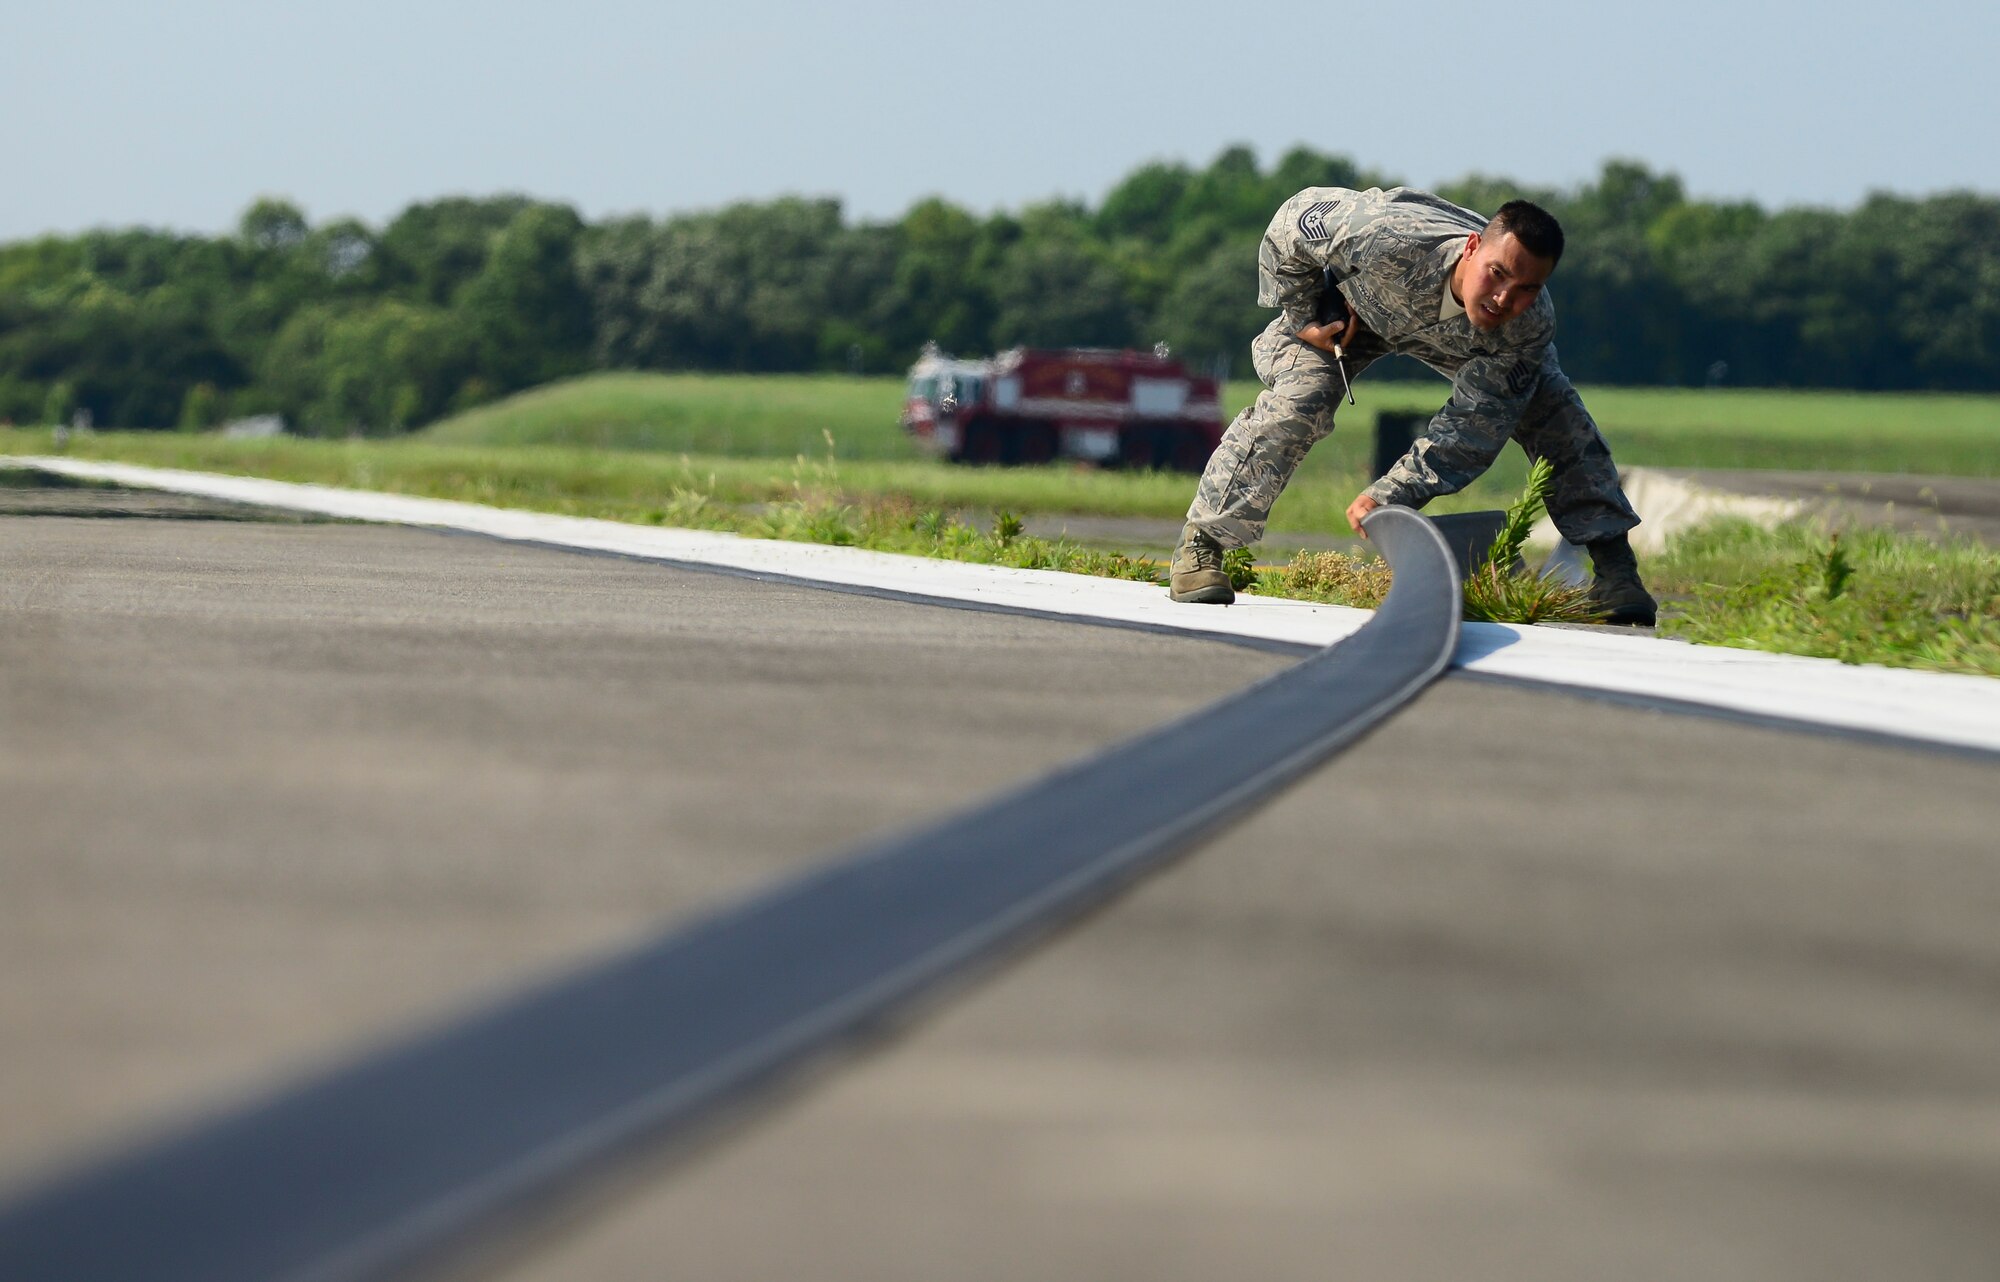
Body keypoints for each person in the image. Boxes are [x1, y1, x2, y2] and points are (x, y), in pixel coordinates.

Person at [1168, 186, 1657, 625]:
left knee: (1555, 412)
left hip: (1459, 341)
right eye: (1497, 273)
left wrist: (1392, 493)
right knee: (1302, 399)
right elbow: (1292, 222)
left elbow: (1472, 429)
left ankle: (1616, 570)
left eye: (1527, 288)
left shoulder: (1524, 327)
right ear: (1471, 248)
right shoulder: (1385, 235)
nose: (1505, 297)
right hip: (1348, 317)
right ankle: (1201, 547)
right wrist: (1302, 311)